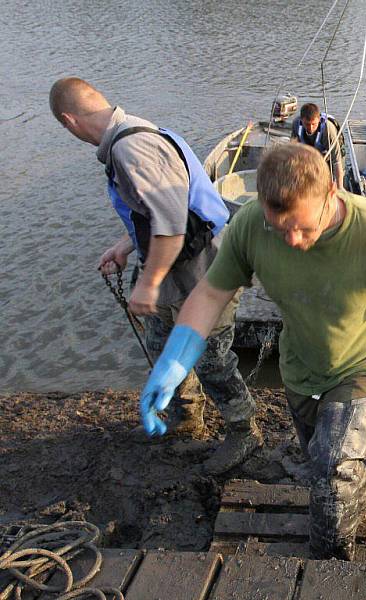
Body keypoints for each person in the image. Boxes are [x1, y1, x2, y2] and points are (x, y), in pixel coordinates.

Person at [136, 143, 366, 560]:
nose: (294, 241)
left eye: (303, 227)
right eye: (281, 230)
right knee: (326, 461)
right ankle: (359, 492)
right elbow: (210, 293)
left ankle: (330, 564)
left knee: (332, 469)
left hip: (364, 365)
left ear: (331, 193)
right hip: (300, 367)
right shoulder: (249, 226)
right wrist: (173, 364)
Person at [49, 77, 261, 475]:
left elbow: (171, 224)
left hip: (203, 270)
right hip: (176, 268)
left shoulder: (131, 149)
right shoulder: (135, 132)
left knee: (211, 357)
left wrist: (147, 283)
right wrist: (126, 245)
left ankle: (243, 430)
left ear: (69, 120)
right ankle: (186, 419)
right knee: (163, 345)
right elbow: (158, 208)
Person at [291, 102, 345, 189]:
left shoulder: (327, 130)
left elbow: (336, 161)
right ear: (301, 120)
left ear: (319, 120)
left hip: (329, 155)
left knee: (329, 182)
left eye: (314, 124)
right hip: (310, 153)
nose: (311, 128)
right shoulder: (296, 124)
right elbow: (293, 150)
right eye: (307, 124)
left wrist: (340, 188)